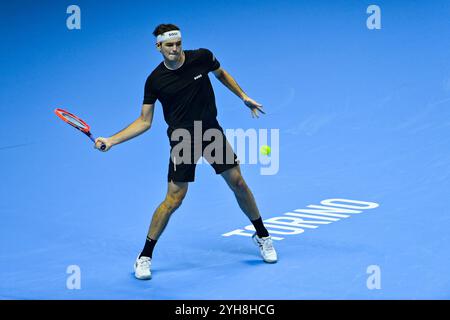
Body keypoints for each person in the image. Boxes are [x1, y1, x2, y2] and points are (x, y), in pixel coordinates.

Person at [94, 23, 277, 280]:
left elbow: (221, 73)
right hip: (183, 140)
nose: (175, 48)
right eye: (169, 45)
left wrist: (243, 96)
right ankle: (144, 255)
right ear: (158, 47)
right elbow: (144, 121)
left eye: (178, 43)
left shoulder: (201, 57)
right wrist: (112, 140)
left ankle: (263, 236)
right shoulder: (155, 81)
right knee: (174, 200)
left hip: (211, 132)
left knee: (238, 182)